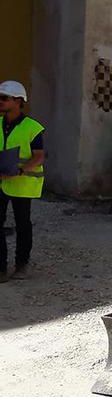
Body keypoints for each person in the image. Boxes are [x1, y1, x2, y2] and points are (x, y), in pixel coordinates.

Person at [0, 81, 45, 282]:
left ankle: (21, 265)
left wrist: (19, 170)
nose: (0, 102)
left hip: (22, 182)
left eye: (4, 98)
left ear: (18, 101)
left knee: (22, 225)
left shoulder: (32, 127)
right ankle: (1, 268)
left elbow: (38, 157)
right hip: (1, 182)